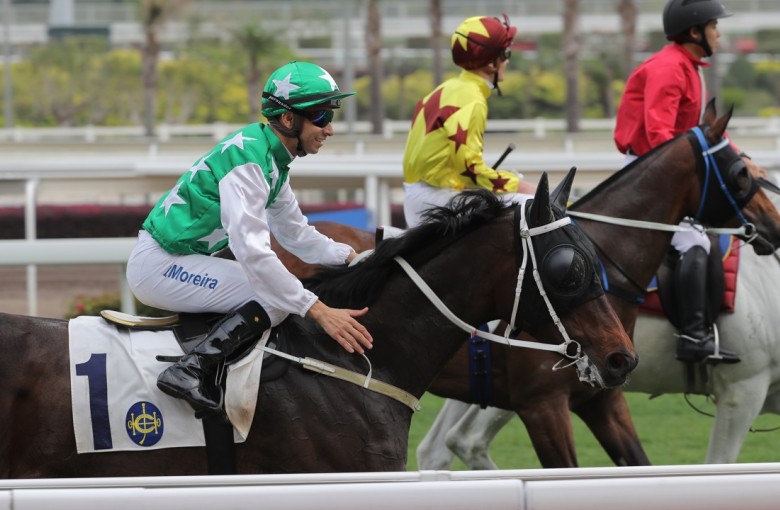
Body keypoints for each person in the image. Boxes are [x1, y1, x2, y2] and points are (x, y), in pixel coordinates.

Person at [126, 60, 373, 417]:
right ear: (289, 120)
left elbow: (295, 233)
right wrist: (317, 310)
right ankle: (191, 368)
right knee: (274, 296)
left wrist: (351, 258)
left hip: (178, 261)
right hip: (159, 266)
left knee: (280, 292)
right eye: (321, 116)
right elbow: (253, 252)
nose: (330, 129)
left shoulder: (271, 158)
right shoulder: (249, 162)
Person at [614, 0, 767, 364]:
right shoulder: (670, 68)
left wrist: (740, 158)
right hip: (651, 171)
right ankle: (693, 337)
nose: (719, 32)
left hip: (663, 166)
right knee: (694, 239)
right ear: (696, 32)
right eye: (714, 26)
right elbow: (659, 136)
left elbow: (698, 135)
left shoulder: (686, 67)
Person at [402, 14, 536, 228]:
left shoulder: (447, 88)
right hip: (435, 199)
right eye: (505, 54)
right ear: (492, 63)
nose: (507, 61)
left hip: (423, 193)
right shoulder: (472, 99)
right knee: (533, 203)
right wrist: (519, 185)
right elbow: (470, 170)